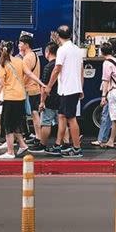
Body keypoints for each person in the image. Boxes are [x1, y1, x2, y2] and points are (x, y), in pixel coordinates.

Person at [0, 41, 46, 159]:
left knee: (7, 125)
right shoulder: (19, 61)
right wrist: (41, 83)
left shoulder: (2, 65)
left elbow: (0, 85)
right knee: (16, 122)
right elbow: (30, 74)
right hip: (21, 96)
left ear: (1, 51)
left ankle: (10, 151)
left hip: (10, 97)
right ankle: (22, 144)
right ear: (12, 50)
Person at [44, 27, 84, 157]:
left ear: (58, 35)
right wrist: (81, 87)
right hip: (72, 88)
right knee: (61, 116)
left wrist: (49, 86)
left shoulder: (61, 50)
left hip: (67, 89)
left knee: (71, 118)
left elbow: (57, 69)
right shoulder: (78, 50)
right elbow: (81, 71)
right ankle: (58, 144)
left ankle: (77, 148)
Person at [17, 33, 42, 146]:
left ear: (26, 45)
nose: (18, 45)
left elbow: (25, 75)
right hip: (35, 88)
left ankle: (38, 137)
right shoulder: (35, 55)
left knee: (34, 114)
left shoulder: (27, 58)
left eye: (20, 43)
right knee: (34, 113)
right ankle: (37, 136)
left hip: (30, 88)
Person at [36, 42, 60, 152]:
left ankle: (43, 144)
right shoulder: (60, 65)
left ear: (48, 52)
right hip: (61, 96)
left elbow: (44, 87)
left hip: (50, 98)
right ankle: (64, 144)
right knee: (62, 122)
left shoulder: (48, 67)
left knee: (46, 122)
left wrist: (42, 101)